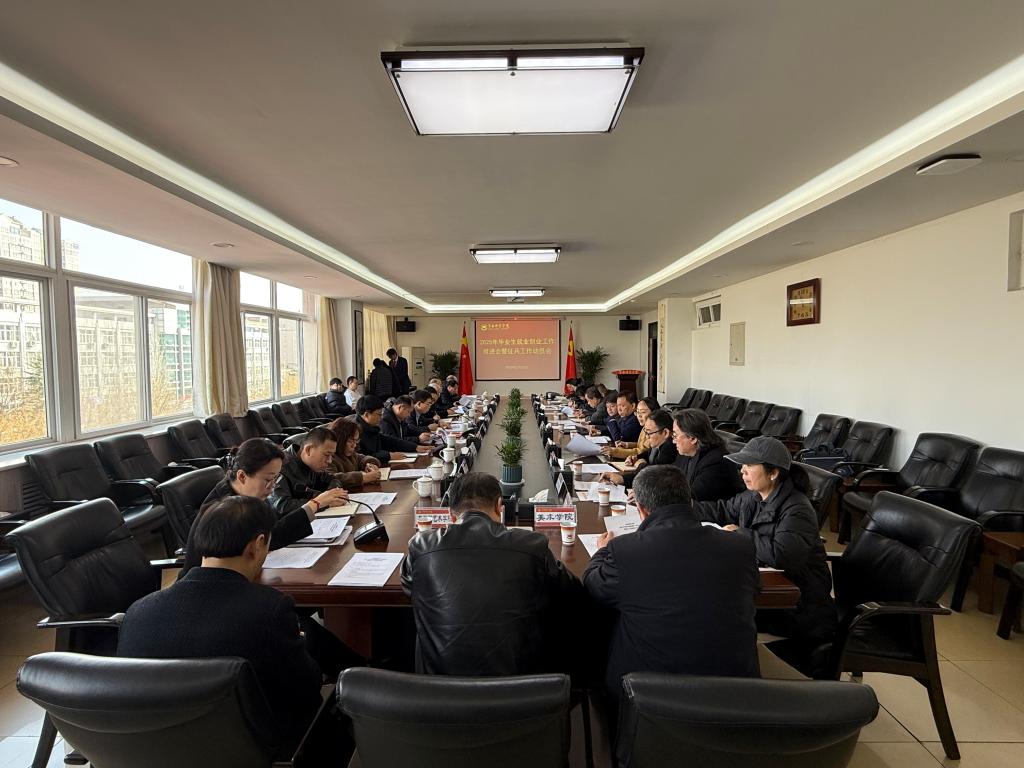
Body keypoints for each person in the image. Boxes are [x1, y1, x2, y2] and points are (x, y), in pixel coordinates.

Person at [118, 496, 329, 758]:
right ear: (257, 545)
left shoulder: (137, 613)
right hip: (256, 750)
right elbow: (308, 689)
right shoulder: (268, 610)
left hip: (159, 752)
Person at [583, 465, 759, 705]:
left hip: (650, 697)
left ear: (641, 510)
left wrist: (602, 552)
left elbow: (594, 586)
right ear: (689, 501)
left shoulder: (626, 550)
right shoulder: (741, 547)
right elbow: (753, 592)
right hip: (737, 694)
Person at [400, 472, 583, 676]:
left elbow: (409, 586)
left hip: (438, 687)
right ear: (499, 506)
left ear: (451, 515)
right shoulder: (531, 545)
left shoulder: (421, 546)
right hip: (518, 687)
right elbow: (571, 592)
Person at [694, 436, 837, 675]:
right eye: (742, 465)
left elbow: (782, 555)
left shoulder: (797, 508)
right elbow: (721, 509)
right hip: (767, 586)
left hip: (798, 604)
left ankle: (733, 678)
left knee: (717, 610)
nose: (742, 471)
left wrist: (740, 533)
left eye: (749, 465)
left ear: (773, 473)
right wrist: (677, 506)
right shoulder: (753, 495)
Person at [180, 437, 348, 575]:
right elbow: (271, 537)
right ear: (242, 476)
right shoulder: (224, 509)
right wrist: (314, 505)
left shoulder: (250, 495)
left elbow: (270, 527)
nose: (273, 487)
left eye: (276, 478)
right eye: (268, 479)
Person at [268, 426, 353, 524]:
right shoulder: (279, 466)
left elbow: (332, 479)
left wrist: (333, 495)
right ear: (308, 450)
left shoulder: (311, 463)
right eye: (327, 455)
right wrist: (321, 502)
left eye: (332, 456)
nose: (330, 461)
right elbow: (281, 507)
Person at [672, 409, 745, 502]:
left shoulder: (715, 462)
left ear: (693, 438)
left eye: (675, 435)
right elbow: (673, 476)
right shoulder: (686, 452)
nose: (673, 441)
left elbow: (692, 497)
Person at [600, 409, 678, 487]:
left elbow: (652, 473)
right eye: (646, 432)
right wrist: (636, 457)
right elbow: (647, 454)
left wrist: (640, 465)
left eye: (649, 433)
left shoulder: (670, 448)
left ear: (665, 433)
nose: (647, 437)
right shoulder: (659, 443)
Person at [350, 394, 431, 464]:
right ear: (366, 414)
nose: (381, 417)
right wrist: (388, 456)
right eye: (379, 414)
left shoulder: (371, 427)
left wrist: (415, 447)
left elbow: (389, 440)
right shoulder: (354, 431)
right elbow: (361, 456)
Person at [328, 418, 382, 488]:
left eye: (356, 440)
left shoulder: (350, 453)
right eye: (350, 441)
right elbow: (330, 478)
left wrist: (369, 464)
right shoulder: (328, 457)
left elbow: (361, 458)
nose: (354, 445)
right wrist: (363, 478)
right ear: (339, 439)